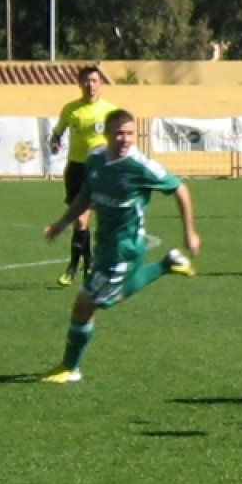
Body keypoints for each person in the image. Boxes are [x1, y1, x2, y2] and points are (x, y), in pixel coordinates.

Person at [40, 109, 202, 384]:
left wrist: (190, 232)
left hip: (125, 248)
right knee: (98, 300)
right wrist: (62, 223)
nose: (125, 139)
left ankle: (71, 367)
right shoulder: (95, 158)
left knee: (86, 303)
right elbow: (85, 195)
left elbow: (180, 189)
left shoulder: (141, 166)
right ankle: (167, 264)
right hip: (105, 244)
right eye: (119, 133)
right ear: (106, 134)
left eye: (130, 133)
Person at [49, 65, 118, 286]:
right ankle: (81, 266)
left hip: (101, 169)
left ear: (101, 84)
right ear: (80, 84)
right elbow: (57, 133)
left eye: (95, 81)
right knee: (80, 220)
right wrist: (55, 143)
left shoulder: (110, 111)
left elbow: (120, 139)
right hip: (77, 169)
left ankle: (79, 266)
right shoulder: (71, 110)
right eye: (87, 81)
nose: (91, 85)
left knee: (94, 220)